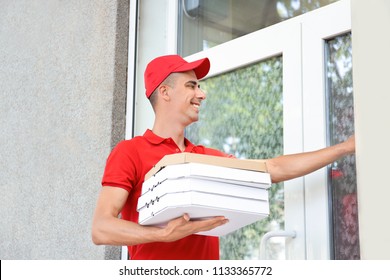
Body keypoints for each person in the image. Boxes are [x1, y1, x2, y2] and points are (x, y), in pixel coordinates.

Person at [91, 54, 355, 260]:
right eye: (191, 85)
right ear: (165, 92)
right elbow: (101, 228)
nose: (202, 94)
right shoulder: (130, 152)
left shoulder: (206, 157)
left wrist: (344, 147)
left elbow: (273, 168)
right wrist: (163, 234)